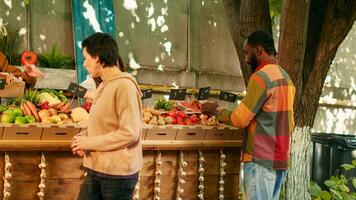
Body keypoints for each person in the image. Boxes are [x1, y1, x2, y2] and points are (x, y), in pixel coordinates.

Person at [202, 30, 295, 200]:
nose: (245, 59)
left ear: (259, 50)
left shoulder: (260, 77)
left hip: (260, 161)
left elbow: (240, 119)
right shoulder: (286, 78)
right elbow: (291, 124)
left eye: (246, 52)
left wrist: (216, 110)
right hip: (280, 161)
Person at [71, 32, 142, 200]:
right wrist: (82, 138)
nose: (84, 63)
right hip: (97, 168)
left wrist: (88, 142)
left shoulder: (124, 86)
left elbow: (129, 133)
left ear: (97, 58)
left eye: (86, 57)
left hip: (117, 175)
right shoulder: (104, 85)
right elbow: (105, 124)